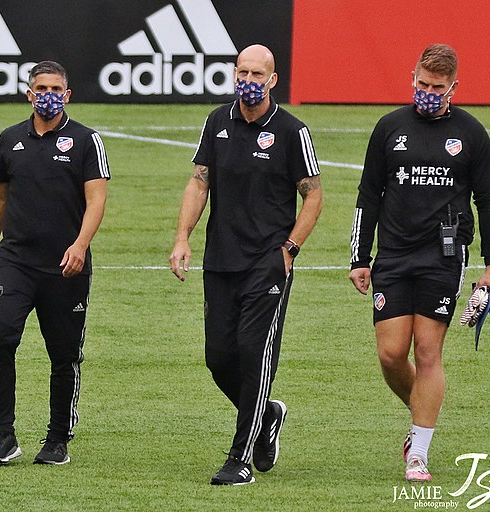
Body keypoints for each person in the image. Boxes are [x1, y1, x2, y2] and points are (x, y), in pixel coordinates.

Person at [348, 44, 490, 482]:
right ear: (412, 77)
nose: (428, 93)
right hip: (393, 255)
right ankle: (422, 412)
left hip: (444, 254)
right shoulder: (389, 128)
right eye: (422, 84)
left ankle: (418, 450)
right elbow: (368, 195)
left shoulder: (471, 134)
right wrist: (360, 256)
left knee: (428, 350)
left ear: (455, 86)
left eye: (438, 87)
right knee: (391, 353)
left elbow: (488, 200)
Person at [169, 44, 322, 485]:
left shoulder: (293, 131)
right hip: (221, 259)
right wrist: (183, 237)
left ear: (273, 80)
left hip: (267, 263)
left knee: (255, 355)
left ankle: (239, 458)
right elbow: (199, 183)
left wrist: (289, 250)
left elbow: (313, 195)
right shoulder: (217, 121)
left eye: (258, 74)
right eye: (242, 72)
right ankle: (268, 413)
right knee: (218, 357)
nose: (249, 80)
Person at [0, 61, 110, 466]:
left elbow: (97, 199)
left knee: (63, 353)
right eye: (41, 87)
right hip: (14, 261)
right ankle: (3, 436)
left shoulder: (87, 141)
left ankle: (57, 439)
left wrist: (80, 245)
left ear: (67, 95)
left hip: (65, 266)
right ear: (29, 93)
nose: (48, 94)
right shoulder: (9, 139)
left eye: (56, 88)